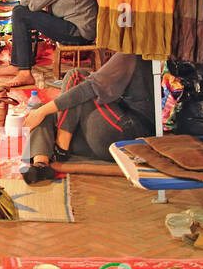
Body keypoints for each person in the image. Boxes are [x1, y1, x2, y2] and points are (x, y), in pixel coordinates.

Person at [20, 52, 155, 184]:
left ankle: (60, 149)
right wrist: (41, 111)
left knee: (76, 77)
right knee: (39, 108)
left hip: (129, 135)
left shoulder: (131, 52)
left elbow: (89, 88)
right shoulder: (125, 53)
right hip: (108, 139)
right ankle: (41, 165)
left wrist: (43, 112)